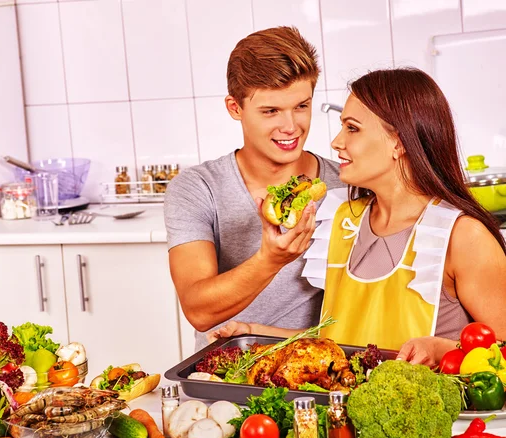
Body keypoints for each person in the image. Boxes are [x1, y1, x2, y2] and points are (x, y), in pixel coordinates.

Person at [209, 68, 506, 366]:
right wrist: (255, 333)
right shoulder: (341, 221)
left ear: (398, 143)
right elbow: (340, 344)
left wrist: (444, 350)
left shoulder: (462, 236)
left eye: (352, 128)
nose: (337, 142)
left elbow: (502, 348)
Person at [163, 26, 345, 350]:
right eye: (270, 111)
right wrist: (270, 259)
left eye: (301, 106)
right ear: (235, 108)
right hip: (224, 376)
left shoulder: (345, 183)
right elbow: (198, 309)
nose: (291, 127)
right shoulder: (196, 188)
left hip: (319, 372)